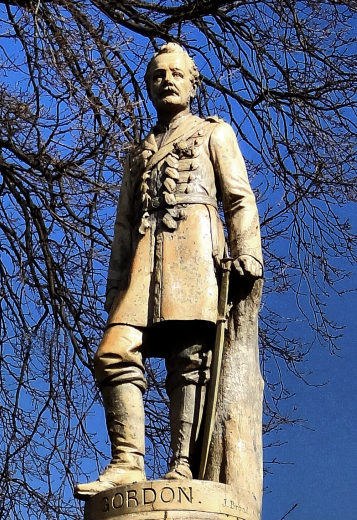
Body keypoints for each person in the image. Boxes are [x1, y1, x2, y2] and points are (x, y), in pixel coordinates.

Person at [74, 43, 262, 499]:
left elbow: (238, 198)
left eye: (177, 73)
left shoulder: (214, 134)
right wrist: (115, 285)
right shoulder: (137, 153)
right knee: (113, 353)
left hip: (194, 253)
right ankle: (127, 462)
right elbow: (122, 225)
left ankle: (182, 463)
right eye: (158, 75)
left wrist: (248, 254)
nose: (168, 81)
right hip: (143, 258)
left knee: (189, 358)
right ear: (149, 86)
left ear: (193, 83)